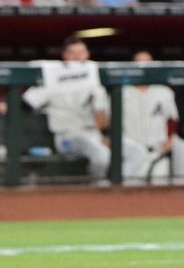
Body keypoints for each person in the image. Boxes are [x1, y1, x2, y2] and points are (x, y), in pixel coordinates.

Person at [22, 36, 148, 182]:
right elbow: (26, 102)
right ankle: (94, 191)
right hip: (67, 137)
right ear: (65, 56)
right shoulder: (53, 77)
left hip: (93, 134)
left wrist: (105, 136)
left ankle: (122, 189)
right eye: (72, 53)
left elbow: (101, 113)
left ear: (87, 54)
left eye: (81, 53)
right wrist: (6, 106)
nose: (77, 57)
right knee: (102, 156)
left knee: (138, 152)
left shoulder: (93, 79)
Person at [122, 51, 184, 184]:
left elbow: (172, 120)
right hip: (132, 152)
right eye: (139, 63)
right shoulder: (121, 92)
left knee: (159, 182)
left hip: (157, 150)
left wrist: (169, 139)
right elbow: (111, 123)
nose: (143, 67)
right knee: (128, 187)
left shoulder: (164, 91)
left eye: (148, 64)